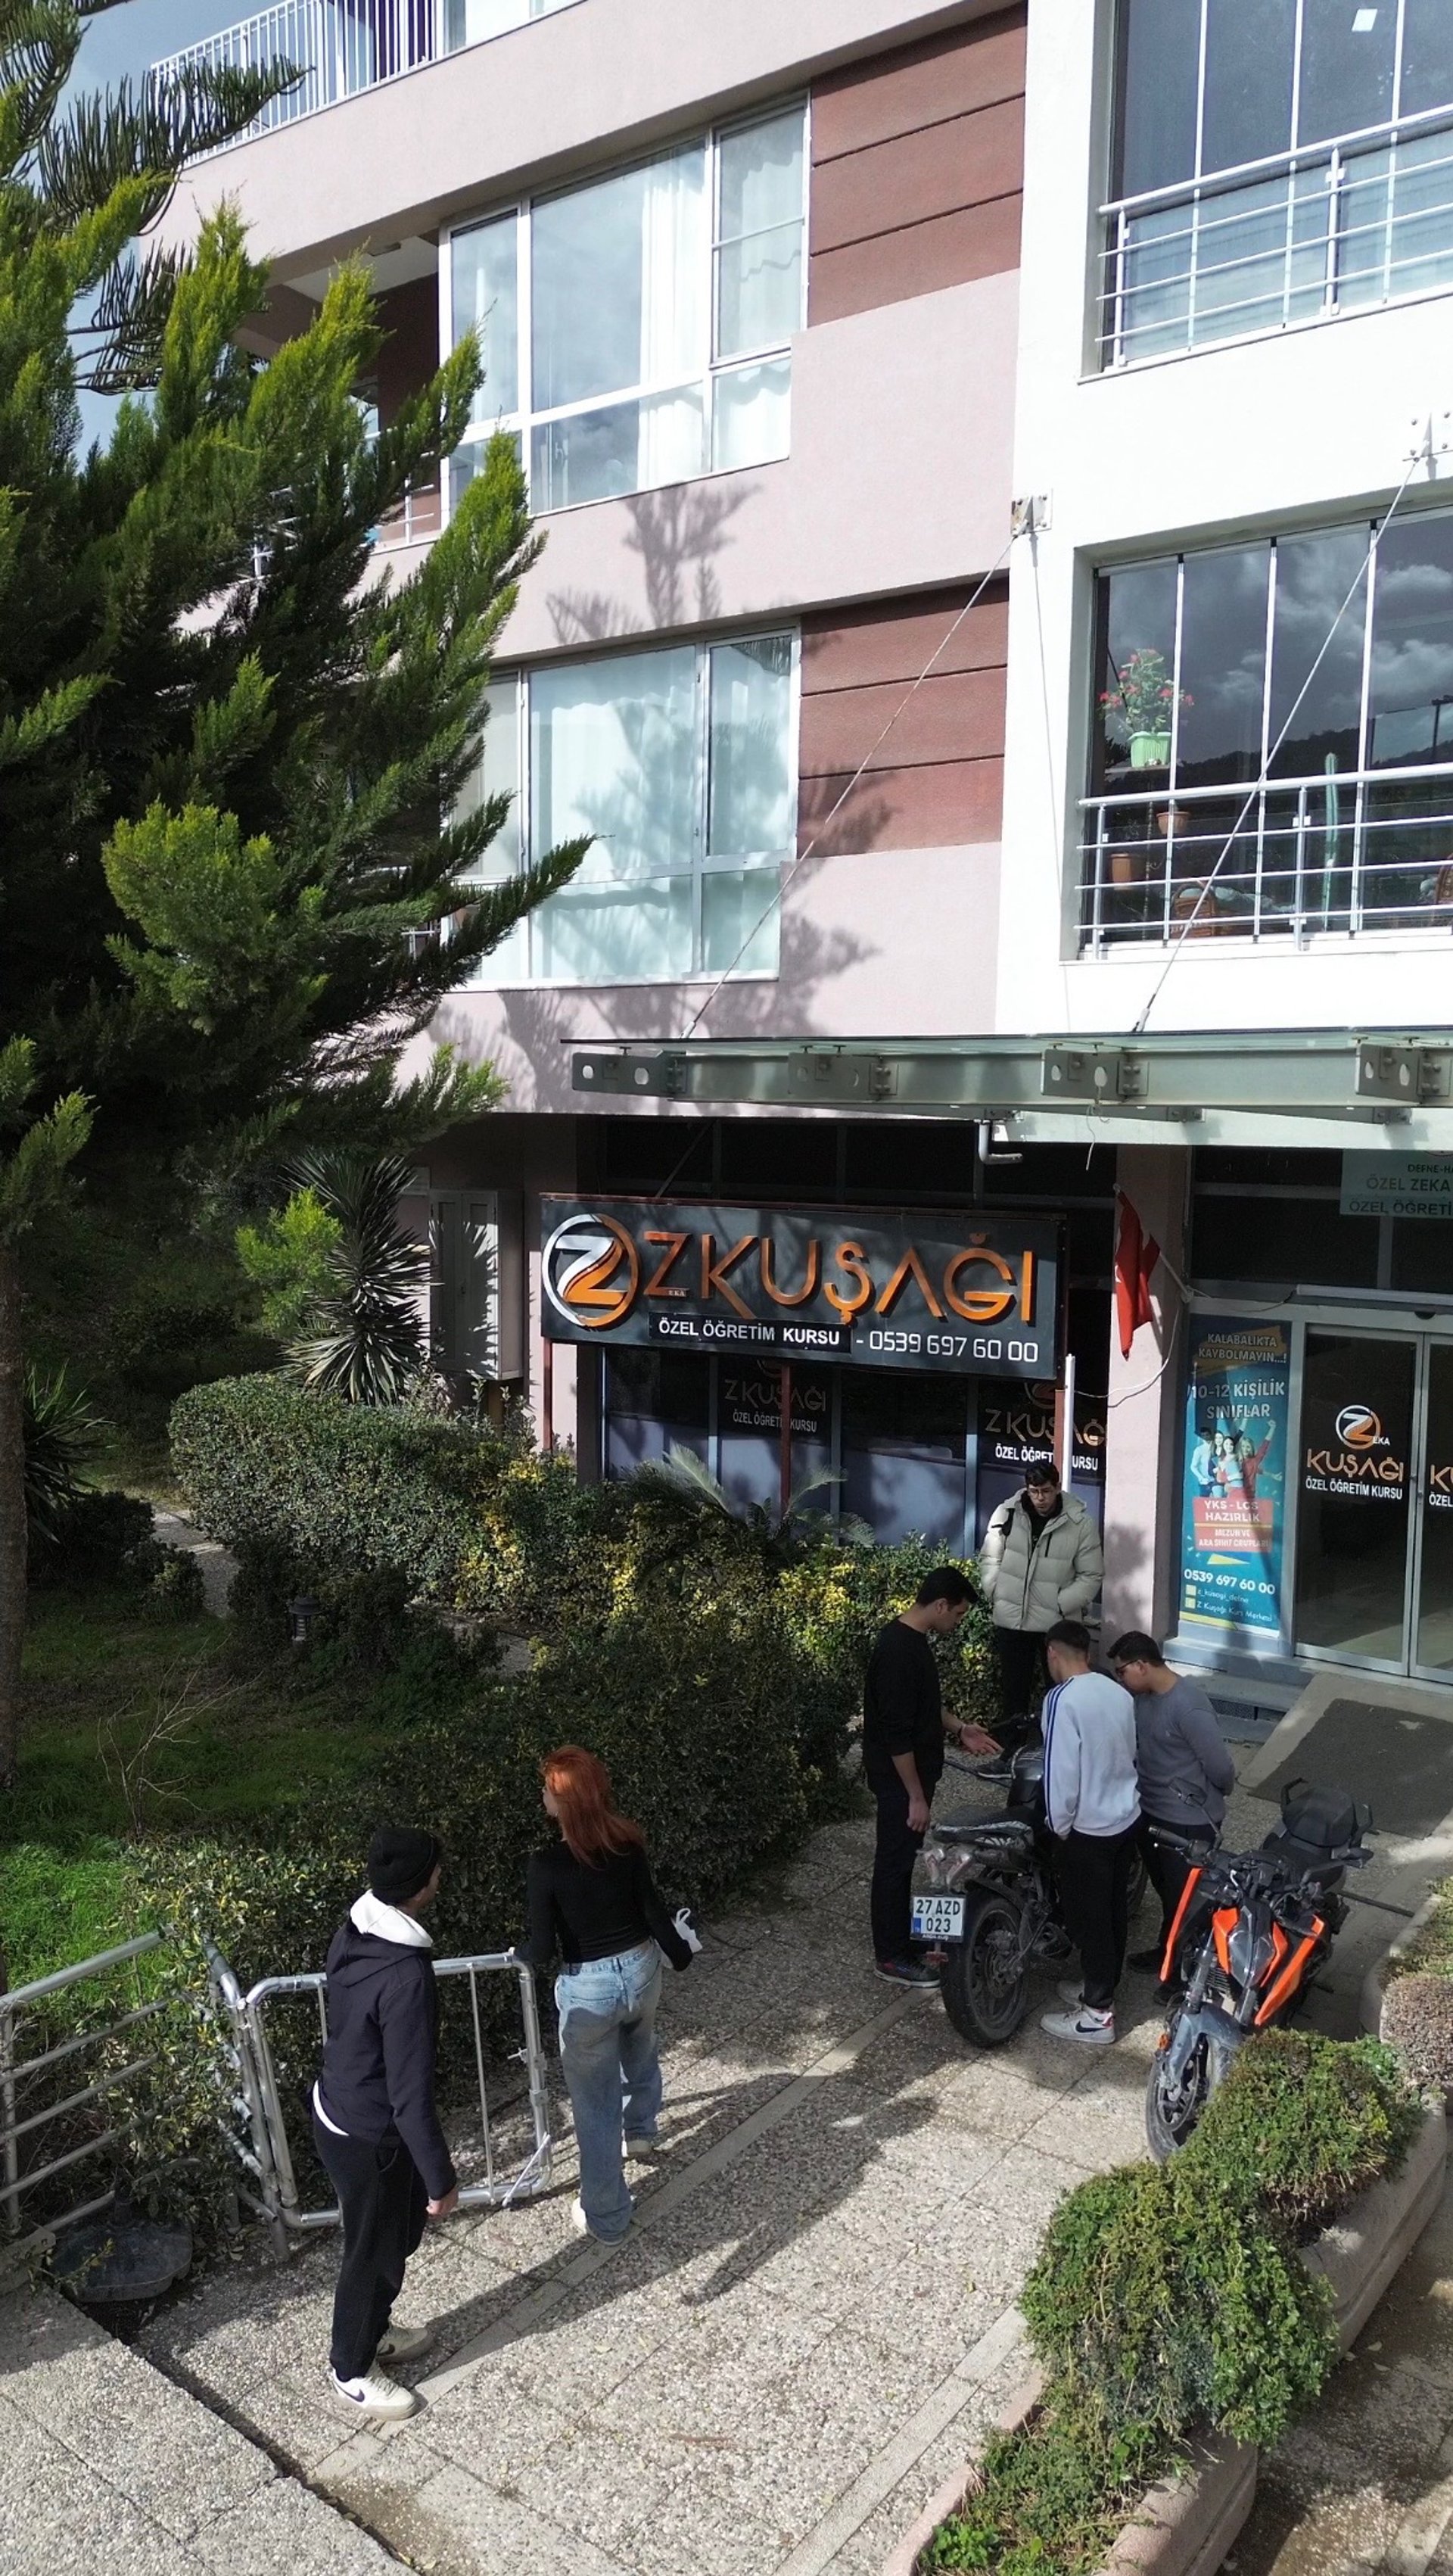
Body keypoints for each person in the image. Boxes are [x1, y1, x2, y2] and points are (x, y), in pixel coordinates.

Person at [515, 1746, 693, 2245]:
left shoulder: (545, 1865)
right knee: (640, 2043)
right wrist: (680, 1953)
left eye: (548, 1789)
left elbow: (544, 1946)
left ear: (564, 1803)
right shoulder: (627, 1844)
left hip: (588, 1988)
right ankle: (640, 2130)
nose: (543, 1795)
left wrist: (520, 1953)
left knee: (593, 2105)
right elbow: (653, 1910)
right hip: (641, 1968)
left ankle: (607, 2215)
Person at [312, 1827, 459, 2423]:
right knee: (373, 2253)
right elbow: (409, 2095)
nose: (441, 1874)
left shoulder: (354, 1931)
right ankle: (351, 2367)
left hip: (338, 2111)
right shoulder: (406, 1976)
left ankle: (373, 2330)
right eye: (435, 1870)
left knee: (393, 2240)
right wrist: (441, 2179)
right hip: (372, 2136)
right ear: (420, 1888)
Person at [863, 1568, 1000, 1988]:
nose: (957, 1623)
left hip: (913, 1778)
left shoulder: (913, 1643)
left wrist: (959, 1728)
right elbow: (897, 1736)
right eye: (957, 1614)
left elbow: (925, 1706)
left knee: (903, 1859)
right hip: (900, 1781)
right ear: (940, 1605)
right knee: (894, 1863)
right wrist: (915, 1797)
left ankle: (902, 1938)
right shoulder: (897, 1651)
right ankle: (889, 1956)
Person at [1110, 1631, 1236, 1979]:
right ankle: (1168, 1954)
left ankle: (1185, 1976)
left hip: (1188, 1822)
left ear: (1142, 1665)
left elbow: (1221, 1767)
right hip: (1152, 1812)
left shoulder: (1189, 1705)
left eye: (1122, 1672)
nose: (1120, 1679)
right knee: (1169, 1895)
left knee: (1188, 1903)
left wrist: (1215, 1798)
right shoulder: (1144, 1699)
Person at [1038, 1621, 1140, 2045]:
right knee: (1114, 1910)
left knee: (1089, 1917)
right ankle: (1102, 1985)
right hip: (1126, 1816)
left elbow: (1060, 1771)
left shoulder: (1062, 1699)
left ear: (1052, 1655)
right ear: (1089, 1653)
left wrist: (1058, 1827)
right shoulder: (1116, 1691)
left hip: (1089, 1827)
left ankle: (1098, 2014)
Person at [979, 1460, 1105, 1727]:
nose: (1040, 1498)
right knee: (1013, 1694)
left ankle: (1055, 1751)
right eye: (1034, 1491)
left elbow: (1091, 1575)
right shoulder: (1008, 1512)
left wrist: (1060, 1604)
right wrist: (995, 1591)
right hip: (1013, 1619)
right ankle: (1010, 1753)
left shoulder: (1079, 1523)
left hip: (1055, 1624)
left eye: (1046, 1491)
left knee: (1060, 1692)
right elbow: (990, 1556)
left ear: (1057, 1488)